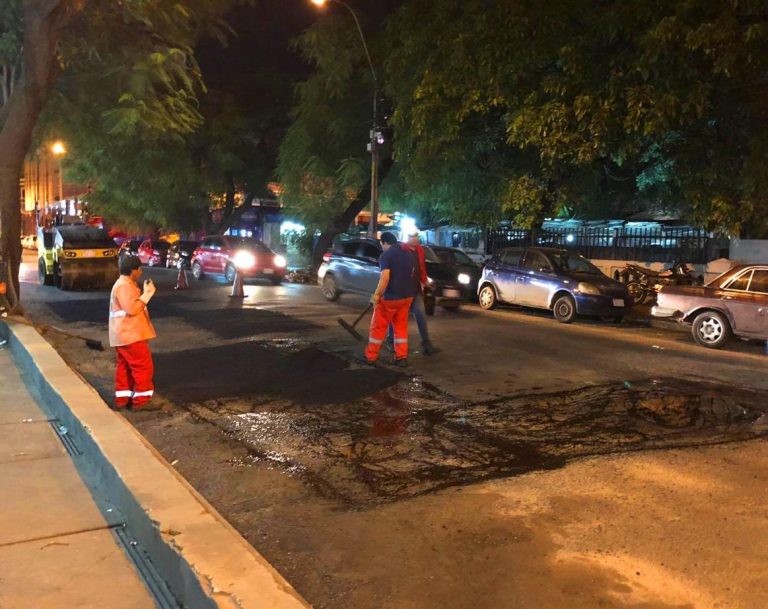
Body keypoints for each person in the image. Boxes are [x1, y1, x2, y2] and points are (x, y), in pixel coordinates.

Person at [109, 257, 159, 411]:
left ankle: (123, 400)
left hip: (122, 335)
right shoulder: (124, 286)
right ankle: (142, 401)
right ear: (133, 271)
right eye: (139, 269)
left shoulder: (124, 284)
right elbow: (132, 308)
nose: (141, 272)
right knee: (143, 366)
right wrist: (147, 295)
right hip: (130, 335)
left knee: (124, 367)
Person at [365, 232, 416, 367]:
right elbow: (410, 274)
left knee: (378, 327)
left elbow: (385, 278)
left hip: (390, 297)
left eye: (381, 244)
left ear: (385, 243)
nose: (382, 246)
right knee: (400, 328)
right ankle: (401, 357)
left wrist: (376, 295)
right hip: (407, 296)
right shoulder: (408, 254)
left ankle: (371, 356)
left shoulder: (386, 256)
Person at [387, 232, 439, 356]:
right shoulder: (401, 250)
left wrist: (425, 281)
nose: (414, 239)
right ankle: (391, 341)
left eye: (416, 236)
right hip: (401, 290)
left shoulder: (419, 250)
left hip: (415, 290)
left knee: (420, 315)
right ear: (407, 238)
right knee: (396, 315)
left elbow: (421, 267)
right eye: (412, 236)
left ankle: (426, 344)